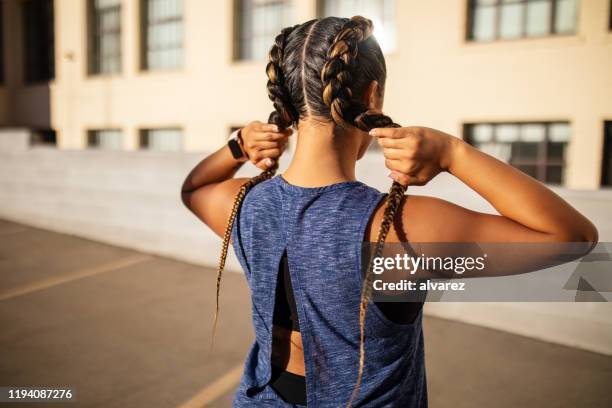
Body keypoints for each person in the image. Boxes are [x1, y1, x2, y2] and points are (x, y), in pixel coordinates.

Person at [181, 16, 597, 408]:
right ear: (373, 95)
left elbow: (193, 188)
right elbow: (572, 238)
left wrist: (237, 146)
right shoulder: (400, 227)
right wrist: (453, 152)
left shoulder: (245, 203)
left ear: (287, 103)